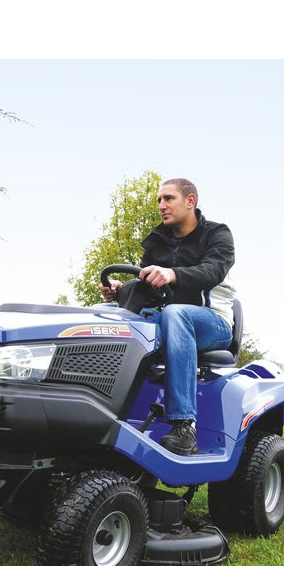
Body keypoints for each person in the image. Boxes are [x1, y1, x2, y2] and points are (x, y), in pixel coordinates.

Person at [100, 178, 235, 455]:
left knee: (175, 314)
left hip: (212, 322)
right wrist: (120, 291)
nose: (162, 205)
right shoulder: (157, 242)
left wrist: (172, 274)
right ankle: (98, 410)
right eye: (159, 200)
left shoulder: (217, 234)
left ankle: (184, 427)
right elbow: (149, 289)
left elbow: (213, 271)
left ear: (190, 201)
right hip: (167, 320)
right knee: (103, 318)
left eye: (169, 198)